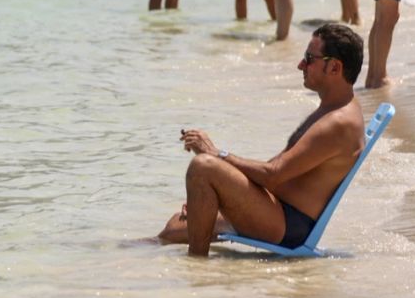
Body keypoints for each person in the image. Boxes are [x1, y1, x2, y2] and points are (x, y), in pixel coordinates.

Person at [157, 24, 366, 257]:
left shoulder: (337, 123)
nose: (301, 65)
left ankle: (197, 269)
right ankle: (123, 254)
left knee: (202, 167)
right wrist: (223, 192)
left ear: (335, 67)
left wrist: (216, 154)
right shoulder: (334, 110)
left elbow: (274, 174)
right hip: (276, 208)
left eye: (309, 58)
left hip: (287, 226)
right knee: (172, 229)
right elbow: (277, 173)